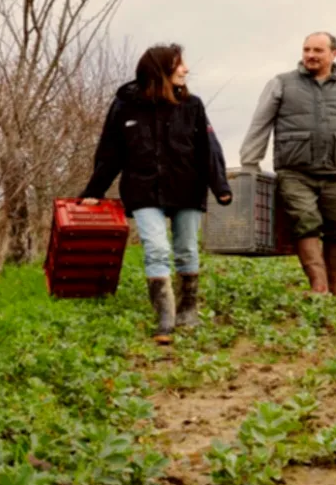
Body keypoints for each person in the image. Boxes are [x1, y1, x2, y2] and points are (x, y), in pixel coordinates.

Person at [80, 43, 233, 345]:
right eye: (179, 64)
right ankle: (165, 315)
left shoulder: (192, 105)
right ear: (160, 70)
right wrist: (94, 190)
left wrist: (220, 186)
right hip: (142, 189)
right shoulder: (125, 106)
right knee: (157, 249)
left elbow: (208, 149)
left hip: (186, 187)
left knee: (187, 248)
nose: (185, 69)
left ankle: (188, 309)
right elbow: (110, 152)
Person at [238, 31, 336, 297]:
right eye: (306, 49)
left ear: (334, 54)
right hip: (295, 173)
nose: (310, 55)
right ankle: (318, 288)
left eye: (318, 51)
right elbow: (259, 124)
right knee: (305, 222)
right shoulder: (281, 84)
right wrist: (250, 163)